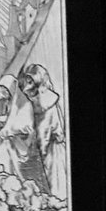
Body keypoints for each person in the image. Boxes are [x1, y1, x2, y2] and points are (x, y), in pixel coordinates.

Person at [19, 64, 68, 202]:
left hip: (52, 150)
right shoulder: (44, 99)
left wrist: (39, 152)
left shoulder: (45, 104)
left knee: (55, 183)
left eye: (30, 82)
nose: (27, 87)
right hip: (50, 145)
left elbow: (43, 135)